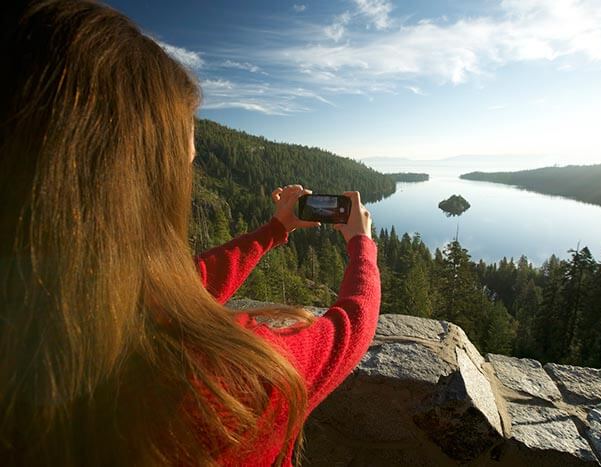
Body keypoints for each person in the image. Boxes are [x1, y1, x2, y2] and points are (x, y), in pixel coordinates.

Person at [0, 1, 380, 466]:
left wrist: (274, 230)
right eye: (184, 162)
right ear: (135, 183)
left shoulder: (39, 312)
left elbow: (176, 284)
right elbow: (345, 333)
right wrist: (362, 248)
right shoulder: (219, 385)